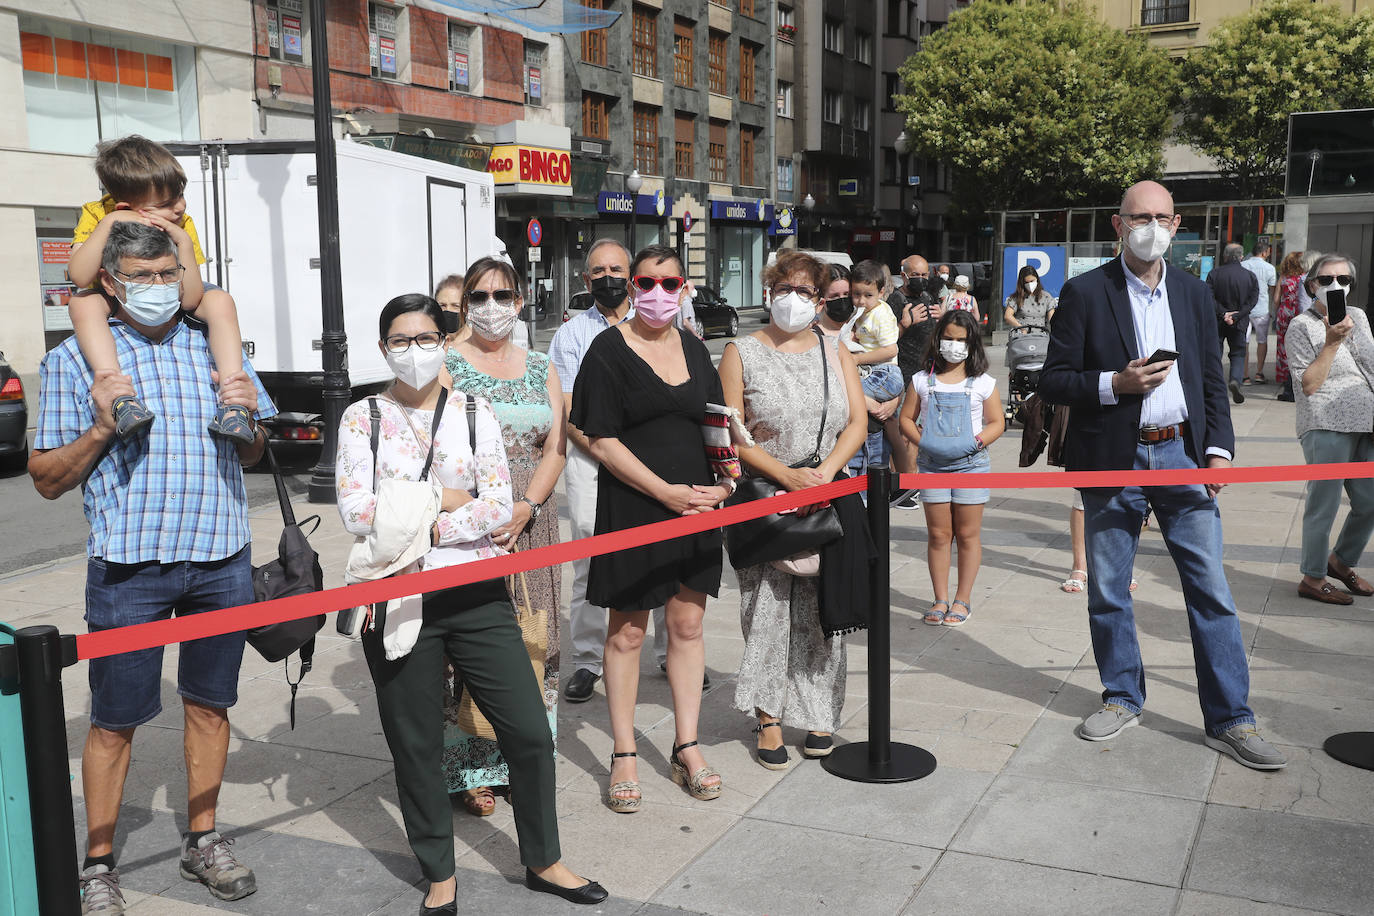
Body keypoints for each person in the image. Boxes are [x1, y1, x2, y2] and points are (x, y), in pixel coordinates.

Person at [29, 222, 275, 913]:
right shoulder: (78, 359)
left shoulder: (215, 349)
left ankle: (204, 841)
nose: (158, 289)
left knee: (211, 706)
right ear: (111, 283)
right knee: (115, 718)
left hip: (220, 556)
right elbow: (46, 477)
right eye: (142, 277)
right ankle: (99, 861)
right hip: (128, 568)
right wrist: (105, 425)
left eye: (168, 275)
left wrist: (250, 421)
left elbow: (253, 452)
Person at [336, 294, 606, 911]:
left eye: (426, 338)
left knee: (530, 732)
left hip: (478, 593)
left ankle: (544, 859)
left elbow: (498, 505)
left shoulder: (476, 411)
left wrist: (417, 511)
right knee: (416, 745)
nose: (414, 351)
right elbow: (357, 512)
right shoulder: (362, 418)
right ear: (384, 349)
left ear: (443, 341)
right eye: (400, 341)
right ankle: (439, 872)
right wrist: (448, 501)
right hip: (399, 597)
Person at [1039, 179, 1286, 770]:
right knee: (1107, 589)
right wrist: (1113, 384)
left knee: (1211, 591)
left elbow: (1208, 381)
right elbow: (1053, 379)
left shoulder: (1195, 294)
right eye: (1138, 217)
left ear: (1177, 226)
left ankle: (1231, 718)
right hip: (1112, 462)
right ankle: (1122, 695)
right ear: (1117, 225)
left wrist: (1219, 450)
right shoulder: (1084, 292)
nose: (1151, 226)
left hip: (1181, 456)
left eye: (1162, 217)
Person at [569, 244, 730, 813]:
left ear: (683, 287)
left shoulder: (693, 346)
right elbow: (601, 438)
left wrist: (726, 484)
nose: (657, 293)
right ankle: (624, 751)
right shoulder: (607, 350)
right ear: (633, 286)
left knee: (686, 627)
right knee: (628, 633)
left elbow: (717, 424)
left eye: (669, 283)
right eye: (646, 282)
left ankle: (687, 744)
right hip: (637, 504)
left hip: (697, 504)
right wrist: (662, 492)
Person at [720, 250, 867, 769]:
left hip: (827, 489)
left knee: (824, 606)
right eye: (785, 288)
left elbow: (857, 425)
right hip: (766, 495)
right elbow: (731, 436)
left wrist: (825, 474)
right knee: (766, 609)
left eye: (806, 291)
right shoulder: (741, 353)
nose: (794, 299)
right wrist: (787, 478)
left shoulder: (836, 351)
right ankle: (768, 716)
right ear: (768, 292)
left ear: (821, 298)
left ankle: (820, 711)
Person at [440, 258, 567, 817]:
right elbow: (435, 451)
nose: (493, 305)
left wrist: (527, 505)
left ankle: (525, 755)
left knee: (535, 639)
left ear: (520, 301)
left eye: (503, 294)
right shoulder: (445, 364)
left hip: (534, 521)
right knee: (470, 645)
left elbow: (555, 446)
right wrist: (490, 514)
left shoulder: (542, 364)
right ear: (466, 303)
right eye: (480, 295)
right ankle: (471, 765)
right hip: (470, 522)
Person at [548, 240, 676, 705]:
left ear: (632, 274)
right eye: (598, 270)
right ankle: (586, 661)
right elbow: (567, 408)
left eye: (617, 269)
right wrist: (605, 451)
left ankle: (668, 652)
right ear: (586, 280)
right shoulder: (571, 335)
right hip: (590, 459)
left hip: (653, 459)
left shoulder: (662, 322)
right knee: (589, 556)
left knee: (662, 550)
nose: (609, 277)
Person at [66, 135, 252, 443]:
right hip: (115, 293)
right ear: (127, 206)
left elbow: (190, 299)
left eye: (181, 195)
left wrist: (181, 241)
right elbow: (80, 275)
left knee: (220, 301)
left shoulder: (182, 222)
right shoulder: (98, 214)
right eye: (166, 204)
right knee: (82, 304)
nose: (180, 206)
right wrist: (111, 222)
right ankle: (120, 396)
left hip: (173, 290)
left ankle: (234, 403)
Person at [899, 309, 1004, 626]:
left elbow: (997, 422)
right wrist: (923, 440)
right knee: (938, 535)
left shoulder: (983, 383)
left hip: (972, 467)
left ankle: (963, 599)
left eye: (961, 340)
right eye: (948, 338)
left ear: (972, 343)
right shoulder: (921, 381)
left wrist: (977, 442)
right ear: (938, 339)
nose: (954, 345)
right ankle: (940, 598)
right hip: (932, 468)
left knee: (968, 535)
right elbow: (905, 418)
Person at [1284, 254, 1374, 606]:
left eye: (1344, 279)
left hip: (1365, 424)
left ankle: (1340, 561)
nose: (1336, 286)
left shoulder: (1360, 318)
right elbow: (1307, 384)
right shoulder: (1300, 327)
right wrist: (1332, 341)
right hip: (1326, 423)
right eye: (1326, 280)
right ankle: (1313, 575)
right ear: (1311, 286)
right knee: (1324, 503)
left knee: (1369, 502)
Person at [847, 260, 907, 475]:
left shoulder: (881, 314)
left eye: (868, 295)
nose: (861, 300)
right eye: (856, 294)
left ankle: (872, 405)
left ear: (881, 292)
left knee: (845, 392)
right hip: (876, 374)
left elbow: (891, 350)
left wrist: (856, 360)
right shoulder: (863, 312)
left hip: (885, 374)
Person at [1206, 242, 1259, 405]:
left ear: (1225, 256)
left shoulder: (1214, 274)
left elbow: (1208, 296)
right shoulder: (1249, 276)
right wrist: (1236, 315)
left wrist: (1223, 313)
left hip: (1218, 320)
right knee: (1238, 353)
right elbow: (1252, 301)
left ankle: (1215, 386)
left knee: (1216, 353)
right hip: (1239, 322)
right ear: (1241, 257)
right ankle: (1236, 379)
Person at [1240, 241, 1278, 384]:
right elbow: (1273, 291)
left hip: (1244, 309)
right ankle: (1259, 373)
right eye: (1268, 252)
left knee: (1244, 342)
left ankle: (1244, 376)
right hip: (1262, 309)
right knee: (1262, 341)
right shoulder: (1270, 268)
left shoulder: (1243, 265)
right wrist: (1274, 310)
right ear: (1264, 252)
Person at [1274, 250, 1308, 402]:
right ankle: (1295, 376)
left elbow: (1276, 299)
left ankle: (1283, 376)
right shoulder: (1304, 277)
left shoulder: (1283, 277)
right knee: (1297, 346)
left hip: (1284, 313)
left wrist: (1278, 312)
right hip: (1298, 313)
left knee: (1283, 346)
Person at [1004, 265, 1056, 329]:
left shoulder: (1046, 297)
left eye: (1032, 281)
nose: (1030, 285)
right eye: (1026, 282)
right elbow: (1008, 316)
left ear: (1037, 279)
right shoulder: (1017, 297)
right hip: (1022, 334)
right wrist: (1021, 328)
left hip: (1041, 335)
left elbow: (1052, 319)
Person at [435, 273, 468, 344]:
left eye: (456, 306)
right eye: (442, 305)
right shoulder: (431, 345)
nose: (448, 310)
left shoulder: (477, 346)